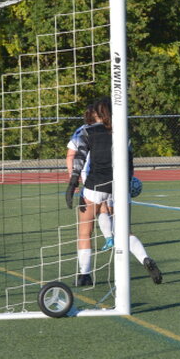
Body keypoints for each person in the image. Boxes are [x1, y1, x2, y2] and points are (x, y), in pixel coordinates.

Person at [66, 97, 162, 286]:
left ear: (97, 113)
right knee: (125, 232)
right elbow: (130, 161)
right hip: (120, 186)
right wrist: (128, 181)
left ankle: (84, 275)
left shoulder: (87, 131)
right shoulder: (123, 132)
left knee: (85, 231)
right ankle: (145, 258)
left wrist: (73, 181)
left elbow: (79, 156)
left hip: (95, 185)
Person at [65, 105, 114, 251]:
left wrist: (73, 178)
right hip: (113, 175)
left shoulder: (83, 130)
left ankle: (90, 254)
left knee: (86, 223)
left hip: (92, 175)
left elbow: (71, 155)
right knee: (106, 207)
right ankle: (111, 238)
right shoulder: (114, 128)